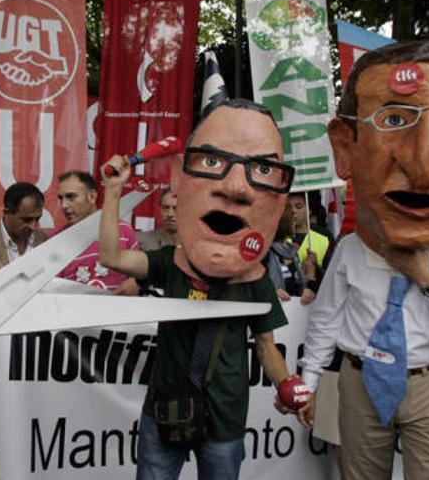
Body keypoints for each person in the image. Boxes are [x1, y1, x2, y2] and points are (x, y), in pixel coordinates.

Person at [298, 40, 429, 479]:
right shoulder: (349, 251)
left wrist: (427, 279)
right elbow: (327, 320)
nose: (425, 164)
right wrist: (308, 383)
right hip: (359, 384)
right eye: (393, 120)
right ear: (344, 147)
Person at [100, 98, 295, 479]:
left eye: (262, 170)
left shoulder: (256, 281)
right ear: (179, 180)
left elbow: (267, 347)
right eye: (211, 162)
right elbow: (112, 256)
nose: (236, 187)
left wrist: (288, 384)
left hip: (224, 419)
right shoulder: (169, 264)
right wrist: (112, 193)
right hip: (165, 411)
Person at [56, 170, 140, 294]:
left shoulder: (123, 230)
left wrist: (136, 282)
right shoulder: (57, 242)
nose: (64, 205)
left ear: (92, 196)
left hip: (120, 311)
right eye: (61, 198)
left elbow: (139, 273)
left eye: (71, 197)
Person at [265, 203, 317, 305]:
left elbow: (303, 289)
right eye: (291, 218)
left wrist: (310, 274)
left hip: (295, 315)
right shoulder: (265, 254)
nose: (294, 223)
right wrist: (270, 293)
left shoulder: (292, 252)